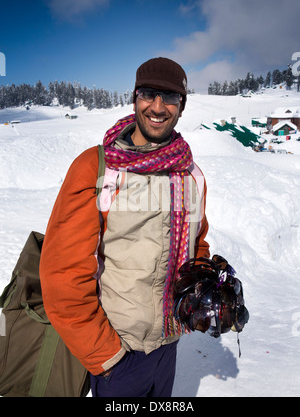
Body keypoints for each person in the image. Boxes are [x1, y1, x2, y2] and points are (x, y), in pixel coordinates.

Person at [40, 57, 210, 397]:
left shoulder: (190, 173)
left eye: (171, 97)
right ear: (134, 98)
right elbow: (63, 275)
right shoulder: (99, 168)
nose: (158, 107)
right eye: (149, 94)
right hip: (119, 352)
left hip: (169, 344)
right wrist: (108, 356)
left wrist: (207, 279)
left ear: (183, 105)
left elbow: (197, 245)